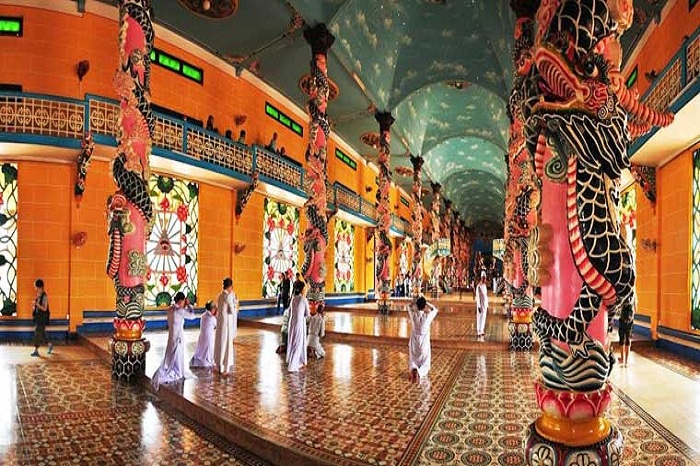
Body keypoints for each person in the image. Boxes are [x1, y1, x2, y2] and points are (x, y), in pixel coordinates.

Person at [151, 292, 196, 390]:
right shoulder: (179, 310)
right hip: (178, 338)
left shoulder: (170, 309)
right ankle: (176, 372)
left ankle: (172, 369)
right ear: (182, 300)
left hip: (171, 336)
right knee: (178, 365)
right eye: (184, 301)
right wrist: (189, 305)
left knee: (171, 356)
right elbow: (192, 316)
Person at [407, 296, 438, 383]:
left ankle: (413, 368)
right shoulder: (427, 317)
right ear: (424, 306)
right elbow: (435, 309)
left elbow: (408, 307)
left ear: (416, 306)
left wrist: (415, 302)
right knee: (425, 362)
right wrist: (426, 302)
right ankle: (419, 373)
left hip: (414, 342)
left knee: (413, 358)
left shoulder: (413, 316)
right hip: (424, 343)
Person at [214, 277, 237, 376]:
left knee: (220, 343)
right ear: (230, 286)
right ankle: (225, 368)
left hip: (220, 323)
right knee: (226, 344)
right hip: (226, 325)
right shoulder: (228, 296)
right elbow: (232, 311)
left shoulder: (219, 296)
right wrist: (235, 303)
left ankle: (219, 366)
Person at [286, 280, 310, 372]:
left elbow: (289, 312)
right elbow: (307, 314)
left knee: (292, 342)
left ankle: (295, 363)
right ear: (301, 289)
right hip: (299, 324)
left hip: (292, 323)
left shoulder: (293, 298)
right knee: (298, 344)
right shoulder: (303, 300)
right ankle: (292, 367)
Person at [189, 300, 217, 368]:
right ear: (212, 309)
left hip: (202, 336)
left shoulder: (203, 315)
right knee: (209, 349)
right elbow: (216, 325)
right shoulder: (211, 318)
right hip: (209, 337)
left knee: (201, 349)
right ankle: (207, 360)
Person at [31, 279, 52, 357]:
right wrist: (34, 306)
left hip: (42, 318)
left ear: (39, 287)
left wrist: (36, 304)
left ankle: (36, 351)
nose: (35, 288)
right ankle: (49, 345)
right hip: (38, 317)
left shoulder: (44, 296)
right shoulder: (38, 295)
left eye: (35, 287)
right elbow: (37, 307)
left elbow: (44, 308)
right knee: (42, 334)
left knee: (37, 333)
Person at [618, 295, 635, 368]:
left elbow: (619, 305)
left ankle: (622, 359)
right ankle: (626, 361)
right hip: (630, 320)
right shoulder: (633, 294)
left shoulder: (623, 292)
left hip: (622, 318)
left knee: (622, 339)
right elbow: (635, 307)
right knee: (628, 339)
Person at [475, 275, 489, 339]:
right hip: (480, 304)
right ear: (481, 278)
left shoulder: (485, 286)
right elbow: (477, 297)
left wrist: (487, 305)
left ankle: (482, 329)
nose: (485, 280)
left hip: (485, 304)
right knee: (479, 317)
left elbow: (486, 296)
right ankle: (478, 330)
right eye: (483, 278)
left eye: (485, 278)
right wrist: (479, 306)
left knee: (484, 317)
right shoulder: (478, 286)